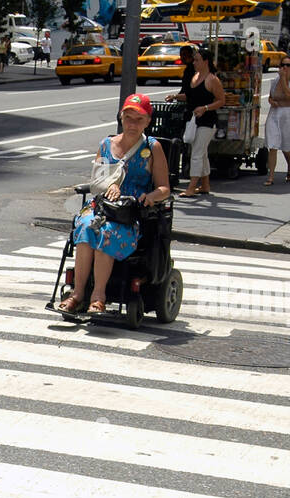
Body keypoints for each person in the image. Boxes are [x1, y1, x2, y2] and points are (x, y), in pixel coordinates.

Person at [58, 94, 171, 315]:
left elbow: (164, 188)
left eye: (139, 119)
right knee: (86, 225)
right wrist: (111, 185)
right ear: (121, 118)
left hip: (130, 213)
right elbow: (97, 182)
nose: (132, 124)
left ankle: (98, 296)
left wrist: (150, 197)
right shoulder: (106, 145)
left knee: (106, 231)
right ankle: (78, 293)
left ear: (148, 121)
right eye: (128, 118)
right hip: (102, 206)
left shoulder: (152, 147)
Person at [180, 47, 225, 197]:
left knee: (197, 153)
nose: (194, 62)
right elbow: (190, 96)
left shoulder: (212, 79)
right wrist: (175, 96)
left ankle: (191, 187)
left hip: (207, 121)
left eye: (197, 60)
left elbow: (221, 101)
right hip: (193, 120)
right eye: (194, 59)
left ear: (206, 61)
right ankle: (205, 185)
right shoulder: (194, 76)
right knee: (201, 152)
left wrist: (206, 108)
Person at [264, 56, 290, 185]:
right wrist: (272, 102)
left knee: (286, 146)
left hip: (288, 115)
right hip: (274, 114)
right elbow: (270, 97)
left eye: (288, 65)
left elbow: (288, 94)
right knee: (272, 145)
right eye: (282, 65)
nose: (284, 67)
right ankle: (271, 176)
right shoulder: (275, 81)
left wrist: (284, 79)